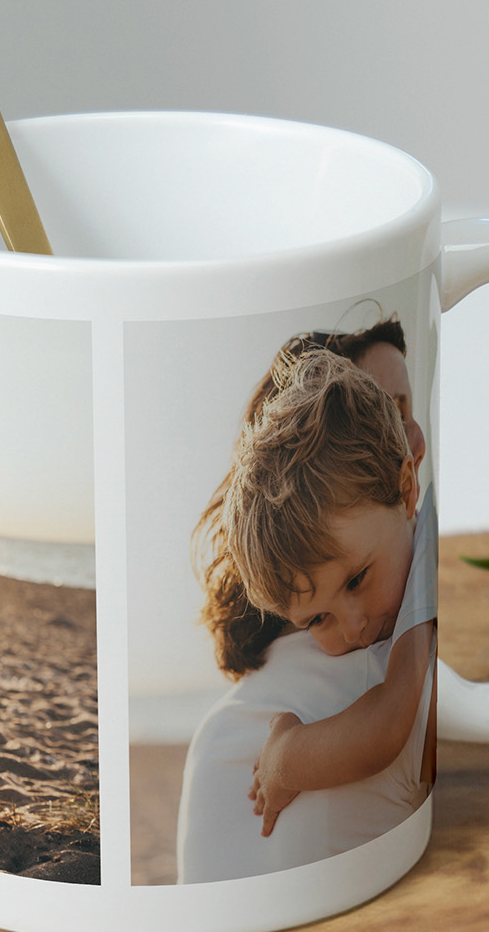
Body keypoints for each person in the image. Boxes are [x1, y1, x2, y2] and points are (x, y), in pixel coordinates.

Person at [177, 343, 436, 884]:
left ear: (406, 488)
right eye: (318, 619)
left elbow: (392, 721)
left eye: (358, 580)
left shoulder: (432, 525)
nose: (355, 626)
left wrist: (286, 758)